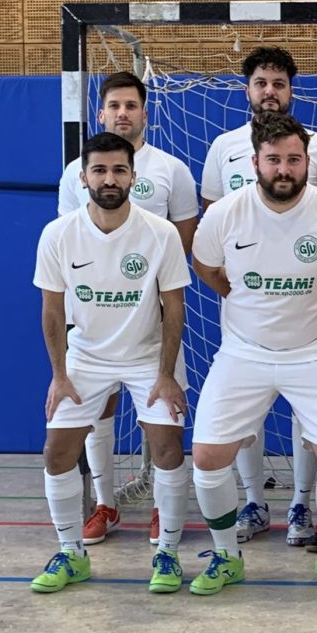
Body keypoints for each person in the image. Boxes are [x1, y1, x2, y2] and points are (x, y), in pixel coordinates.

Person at [189, 111, 317, 596]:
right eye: (274, 159)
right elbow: (205, 266)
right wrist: (239, 297)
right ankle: (227, 557)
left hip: (316, 352)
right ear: (255, 162)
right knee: (207, 456)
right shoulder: (224, 214)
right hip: (243, 352)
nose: (284, 169)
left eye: (294, 159)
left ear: (307, 162)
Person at [31, 132, 191, 593]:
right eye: (99, 170)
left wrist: (166, 375)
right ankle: (71, 553)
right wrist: (59, 376)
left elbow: (174, 307)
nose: (109, 178)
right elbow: (52, 311)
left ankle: (167, 554)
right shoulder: (58, 234)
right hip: (86, 356)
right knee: (57, 452)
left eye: (119, 170)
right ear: (83, 178)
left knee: (168, 448)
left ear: (133, 177)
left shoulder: (160, 233)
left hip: (148, 356)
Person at [57, 71, 199, 546]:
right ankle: (106, 504)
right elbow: (71, 245)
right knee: (98, 412)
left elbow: (182, 241)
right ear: (100, 113)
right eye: (114, 105)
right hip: (94, 322)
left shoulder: (172, 170)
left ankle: (162, 508)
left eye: (131, 106)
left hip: (150, 321)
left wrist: (141, 286)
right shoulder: (73, 174)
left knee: (161, 418)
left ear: (144, 113)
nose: (122, 113)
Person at [200, 46, 317, 547]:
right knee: (243, 412)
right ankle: (253, 501)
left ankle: (302, 503)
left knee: (306, 409)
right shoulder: (223, 147)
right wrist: (231, 288)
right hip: (246, 304)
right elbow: (211, 227)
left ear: (291, 90)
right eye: (261, 82)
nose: (270, 91)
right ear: (248, 90)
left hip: (305, 302)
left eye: (279, 83)